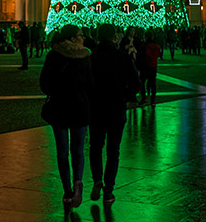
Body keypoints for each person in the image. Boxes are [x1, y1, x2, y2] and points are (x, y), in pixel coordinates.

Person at [39, 24, 94, 208]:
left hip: (59, 108)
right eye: (80, 35)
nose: (83, 37)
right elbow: (90, 85)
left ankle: (67, 192)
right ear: (72, 38)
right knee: (78, 149)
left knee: (62, 151)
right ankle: (78, 181)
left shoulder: (53, 55)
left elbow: (44, 84)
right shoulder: (85, 57)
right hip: (80, 108)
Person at [89, 24, 139, 204]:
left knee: (95, 147)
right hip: (117, 108)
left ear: (97, 37)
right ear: (114, 38)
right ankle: (108, 191)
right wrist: (126, 96)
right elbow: (136, 81)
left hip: (96, 109)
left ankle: (97, 180)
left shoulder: (91, 58)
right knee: (113, 151)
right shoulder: (122, 57)